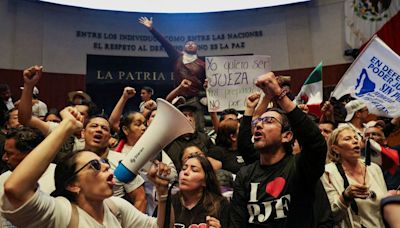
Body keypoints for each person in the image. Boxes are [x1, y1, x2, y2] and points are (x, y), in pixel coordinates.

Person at [0, 106, 173, 227]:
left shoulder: (116, 207)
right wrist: (66, 126)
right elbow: (15, 188)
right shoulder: (61, 213)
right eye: (95, 165)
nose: (105, 167)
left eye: (104, 163)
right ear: (73, 185)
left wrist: (163, 191)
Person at [230, 72, 327, 227]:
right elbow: (236, 223)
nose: (259, 124)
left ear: (287, 136)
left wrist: (280, 96)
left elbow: (315, 143)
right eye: (259, 122)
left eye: (268, 121)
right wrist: (249, 111)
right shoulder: (246, 175)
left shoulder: (300, 167)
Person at [139, 17, 206, 131]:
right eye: (188, 43)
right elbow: (164, 43)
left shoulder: (202, 64)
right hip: (177, 98)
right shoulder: (177, 57)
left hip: (194, 99)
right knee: (176, 129)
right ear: (183, 47)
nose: (190, 44)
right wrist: (151, 29)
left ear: (197, 48)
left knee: (198, 128)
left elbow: (207, 82)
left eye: (193, 43)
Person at [321, 125, 387, 227]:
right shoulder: (328, 173)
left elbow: (384, 206)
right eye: (348, 139)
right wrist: (345, 197)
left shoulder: (374, 168)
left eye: (356, 138)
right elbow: (330, 216)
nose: (355, 141)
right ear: (336, 149)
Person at [0, 126, 49, 227]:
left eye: (9, 153)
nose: (4, 158)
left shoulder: (56, 177)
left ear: (29, 154)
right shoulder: (2, 179)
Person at [168, 155, 229, 228]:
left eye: (194, 170)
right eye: (184, 168)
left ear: (205, 181)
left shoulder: (221, 205)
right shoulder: (169, 202)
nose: (185, 172)